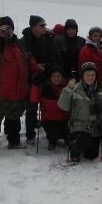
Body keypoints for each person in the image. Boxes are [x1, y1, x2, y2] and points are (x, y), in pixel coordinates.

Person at [0, 16, 37, 158]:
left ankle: (14, 141)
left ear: (12, 29)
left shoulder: (20, 45)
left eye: (8, 28)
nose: (6, 30)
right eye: (2, 28)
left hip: (19, 92)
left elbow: (31, 62)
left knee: (14, 117)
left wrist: (36, 74)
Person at [58, 61, 102, 163]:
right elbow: (63, 106)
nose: (90, 78)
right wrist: (68, 89)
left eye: (92, 75)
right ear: (82, 76)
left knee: (91, 155)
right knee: (84, 142)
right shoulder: (75, 88)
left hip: (95, 125)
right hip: (79, 124)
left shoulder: (101, 88)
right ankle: (74, 149)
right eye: (87, 75)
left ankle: (83, 145)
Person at [21, 14, 61, 144]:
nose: (45, 27)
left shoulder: (48, 38)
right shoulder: (24, 41)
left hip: (46, 75)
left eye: (45, 25)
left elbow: (54, 55)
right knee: (31, 107)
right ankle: (30, 134)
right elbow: (22, 60)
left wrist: (49, 67)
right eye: (41, 25)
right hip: (31, 78)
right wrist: (35, 66)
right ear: (33, 27)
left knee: (48, 104)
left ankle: (50, 130)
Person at [39, 65, 69, 151]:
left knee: (69, 133)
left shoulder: (68, 87)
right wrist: (43, 121)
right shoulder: (46, 89)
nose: (56, 78)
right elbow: (39, 104)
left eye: (59, 76)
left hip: (66, 119)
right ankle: (52, 140)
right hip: (51, 120)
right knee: (53, 133)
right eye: (54, 76)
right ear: (50, 77)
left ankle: (67, 138)